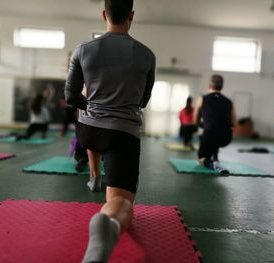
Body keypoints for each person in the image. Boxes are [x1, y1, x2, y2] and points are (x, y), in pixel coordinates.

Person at [64, 0, 155, 262]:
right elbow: (143, 101)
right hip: (122, 134)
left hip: (89, 131)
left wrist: (92, 104)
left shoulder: (83, 49)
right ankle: (109, 223)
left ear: (104, 14)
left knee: (93, 128)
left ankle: (94, 175)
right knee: (121, 202)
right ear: (131, 15)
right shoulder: (146, 54)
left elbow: (71, 97)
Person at [194, 74, 236, 174]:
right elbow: (234, 122)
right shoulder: (229, 102)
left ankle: (213, 164)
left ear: (209, 85)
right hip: (226, 138)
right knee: (216, 130)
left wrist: (199, 125)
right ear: (222, 86)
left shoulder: (202, 98)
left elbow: (195, 118)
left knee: (201, 158)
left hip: (210, 136)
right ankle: (215, 156)